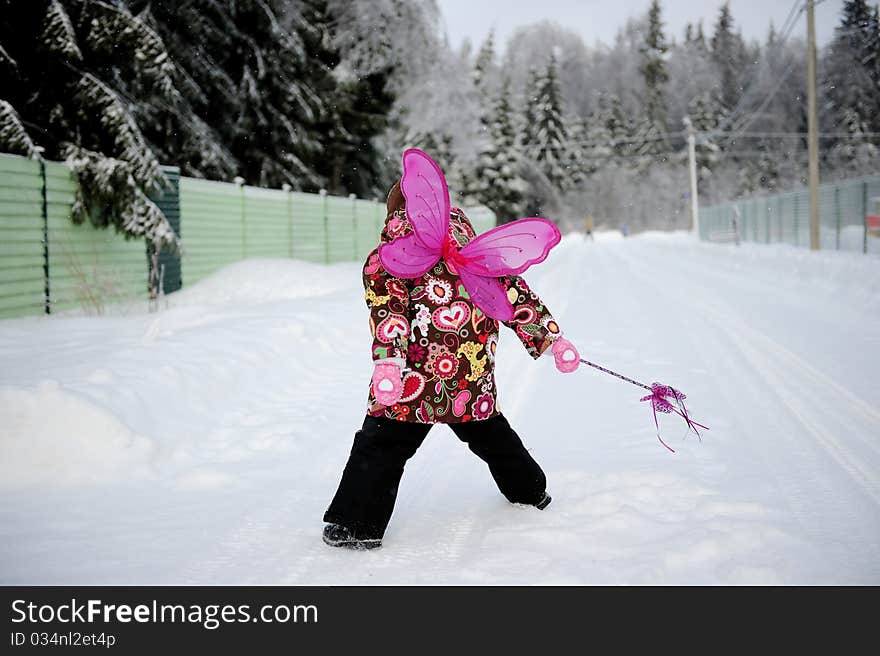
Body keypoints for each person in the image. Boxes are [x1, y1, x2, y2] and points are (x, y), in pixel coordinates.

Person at [322, 177, 581, 550]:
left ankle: (357, 525)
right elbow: (516, 297)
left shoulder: (391, 258)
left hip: (414, 381)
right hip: (470, 374)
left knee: (381, 446)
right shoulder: (477, 252)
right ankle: (531, 492)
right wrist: (551, 340)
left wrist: (389, 362)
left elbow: (389, 312)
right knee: (494, 438)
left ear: (394, 215)